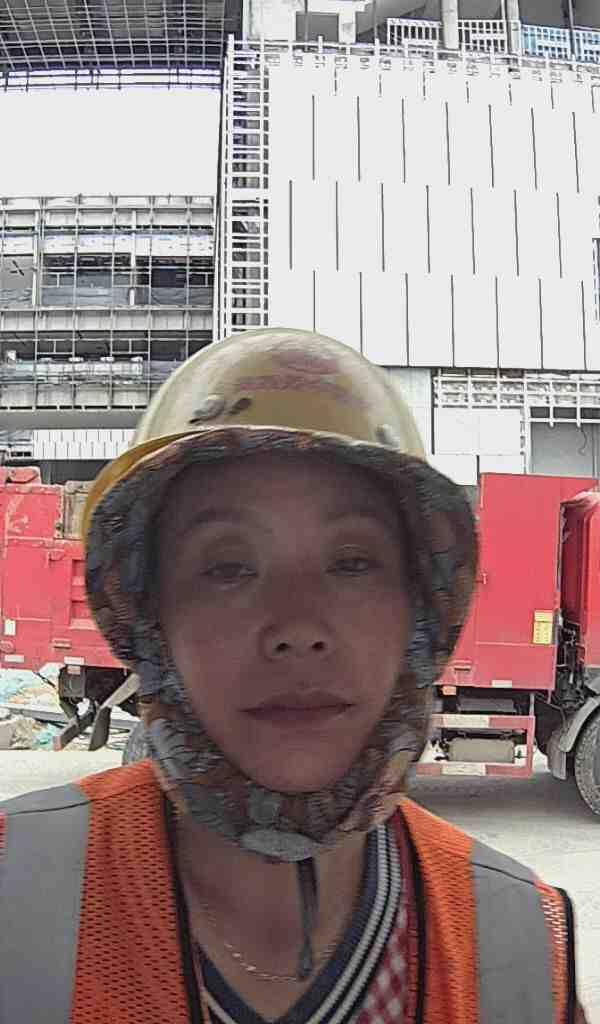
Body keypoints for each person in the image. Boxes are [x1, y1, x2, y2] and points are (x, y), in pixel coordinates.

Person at [0, 328, 588, 1024]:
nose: (298, 626)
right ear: (151, 615)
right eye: (228, 567)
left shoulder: (518, 945)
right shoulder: (17, 888)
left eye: (352, 563)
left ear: (421, 610)